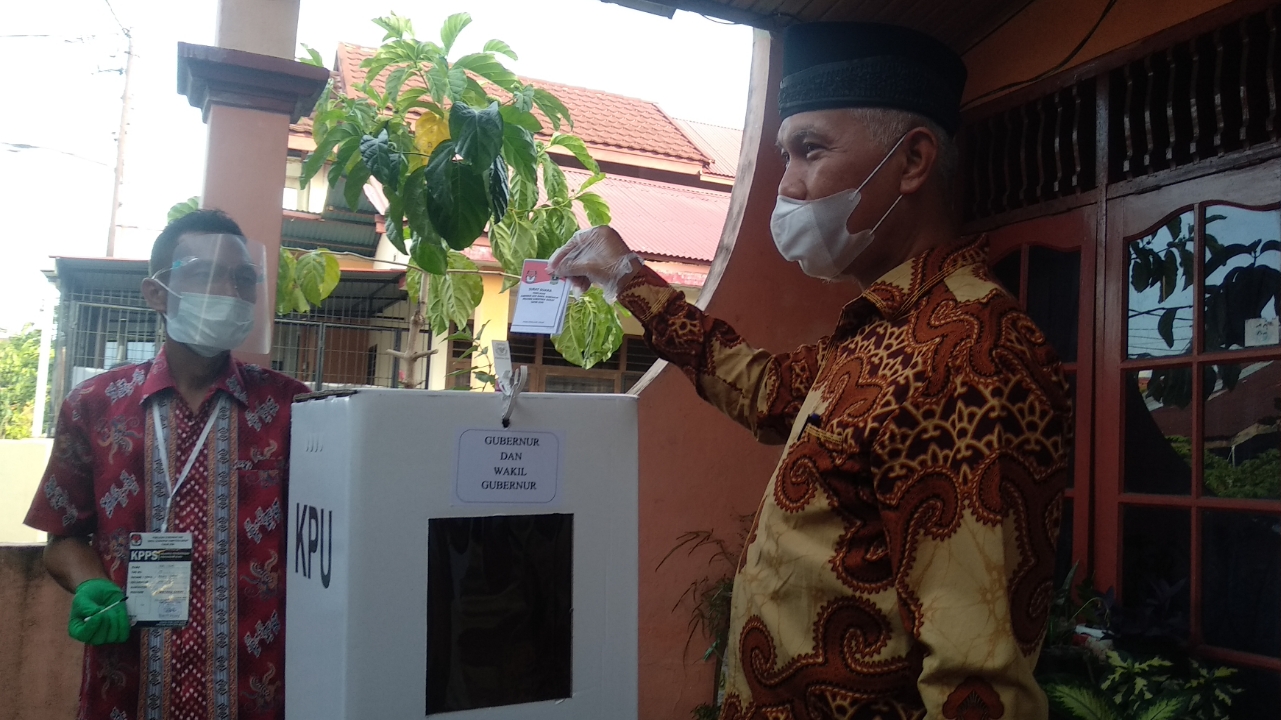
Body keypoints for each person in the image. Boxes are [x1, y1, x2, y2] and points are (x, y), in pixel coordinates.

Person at [550, 21, 1073, 720]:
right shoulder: (880, 329)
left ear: (912, 161)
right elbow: (766, 391)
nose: (787, 184)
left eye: (810, 149)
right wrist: (626, 279)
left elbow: (976, 682)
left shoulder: (970, 353)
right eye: (782, 155)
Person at [25, 209, 310, 720]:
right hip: (129, 687)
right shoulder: (95, 405)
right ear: (156, 293)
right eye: (207, 273)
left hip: (256, 693)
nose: (230, 291)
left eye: (243, 278)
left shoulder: (292, 407)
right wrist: (90, 583)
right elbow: (63, 536)